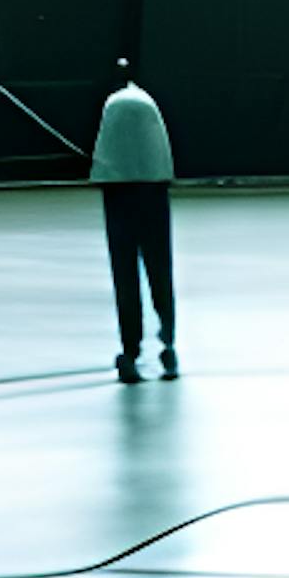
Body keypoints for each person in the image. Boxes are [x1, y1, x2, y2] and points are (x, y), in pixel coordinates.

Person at [91, 60, 176, 384]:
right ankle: (168, 346)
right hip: (153, 190)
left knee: (125, 275)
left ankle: (130, 350)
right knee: (159, 271)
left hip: (119, 194)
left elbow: (103, 161)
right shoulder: (147, 105)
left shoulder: (113, 107)